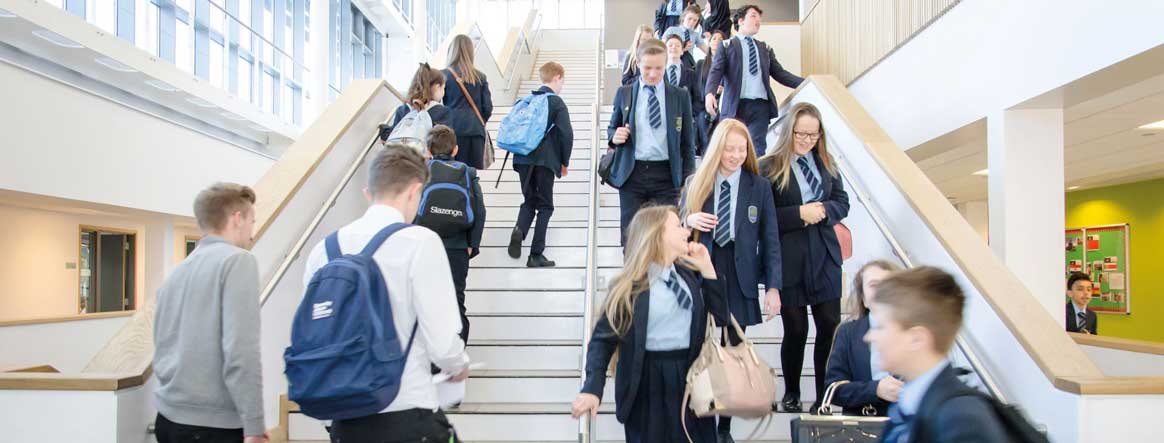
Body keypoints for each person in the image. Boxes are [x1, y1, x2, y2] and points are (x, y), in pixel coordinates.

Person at [302, 146, 471, 442]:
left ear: (369, 193)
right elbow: (443, 345)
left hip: (344, 416)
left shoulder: (323, 249)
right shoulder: (420, 242)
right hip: (405, 410)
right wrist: (458, 367)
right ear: (415, 191)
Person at [571, 205, 728, 443]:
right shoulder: (629, 287)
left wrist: (707, 268)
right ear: (657, 234)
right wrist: (593, 388)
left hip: (690, 378)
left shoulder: (688, 276)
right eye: (678, 226)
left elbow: (721, 317)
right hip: (647, 382)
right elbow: (602, 342)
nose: (686, 231)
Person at [679, 119, 780, 443]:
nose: (736, 155)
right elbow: (673, 231)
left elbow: (771, 239)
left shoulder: (759, 186)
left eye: (741, 149)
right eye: (729, 149)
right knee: (698, 346)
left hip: (740, 275)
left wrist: (774, 287)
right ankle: (694, 413)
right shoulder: (697, 182)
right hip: (703, 268)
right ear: (716, 149)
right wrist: (688, 219)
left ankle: (724, 427)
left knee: (732, 351)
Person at [153, 183, 266, 443]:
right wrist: (254, 426)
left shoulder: (176, 274)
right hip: (212, 428)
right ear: (237, 219)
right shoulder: (238, 261)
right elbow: (241, 352)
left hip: (168, 420)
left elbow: (162, 345)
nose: (252, 232)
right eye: (252, 221)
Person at [758, 102, 849, 413]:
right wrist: (800, 214)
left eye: (814, 134)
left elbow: (842, 201)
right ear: (788, 131)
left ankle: (824, 396)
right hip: (790, 259)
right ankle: (793, 392)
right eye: (802, 134)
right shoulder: (769, 167)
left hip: (824, 255)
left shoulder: (826, 162)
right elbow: (764, 218)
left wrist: (824, 211)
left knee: (829, 325)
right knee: (796, 330)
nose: (808, 140)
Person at [865, 266, 1007, 442]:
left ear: (916, 339)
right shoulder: (910, 406)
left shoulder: (962, 420)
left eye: (881, 327)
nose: (869, 337)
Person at [606, 39, 696, 246]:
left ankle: (661, 278)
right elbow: (612, 128)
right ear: (637, 63)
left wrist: (688, 180)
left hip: (666, 175)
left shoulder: (679, 96)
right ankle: (633, 279)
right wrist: (614, 135)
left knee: (666, 237)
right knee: (631, 237)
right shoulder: (624, 93)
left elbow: (687, 143)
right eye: (647, 68)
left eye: (659, 68)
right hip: (632, 174)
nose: (653, 74)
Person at [417, 125, 486, 343]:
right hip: (457, 246)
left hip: (425, 246)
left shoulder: (420, 172)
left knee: (426, 299)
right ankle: (457, 353)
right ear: (455, 149)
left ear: (427, 150)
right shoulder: (467, 172)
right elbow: (480, 211)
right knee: (456, 300)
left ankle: (431, 354)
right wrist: (472, 244)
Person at [705, 4, 804, 156]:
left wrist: (805, 82)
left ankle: (755, 180)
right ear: (740, 21)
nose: (758, 20)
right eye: (753, 16)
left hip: (760, 107)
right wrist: (710, 93)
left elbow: (781, 74)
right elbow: (716, 71)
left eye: (759, 17)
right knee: (732, 148)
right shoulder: (726, 46)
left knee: (758, 149)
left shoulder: (765, 48)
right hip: (735, 105)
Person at [507, 62, 573, 268]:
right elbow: (567, 135)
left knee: (529, 200)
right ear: (558, 77)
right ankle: (535, 254)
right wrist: (564, 162)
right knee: (545, 205)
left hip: (521, 158)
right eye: (563, 81)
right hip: (545, 161)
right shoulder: (556, 102)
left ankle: (519, 229)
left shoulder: (528, 100)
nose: (562, 85)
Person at [823, 260, 903, 417]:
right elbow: (834, 388)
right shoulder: (848, 332)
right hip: (862, 428)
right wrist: (876, 390)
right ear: (864, 298)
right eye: (873, 285)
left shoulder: (917, 331)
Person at [442, 34, 494, 170]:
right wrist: (478, 120)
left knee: (452, 171)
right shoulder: (480, 77)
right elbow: (487, 107)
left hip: (452, 130)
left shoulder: (444, 76)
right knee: (471, 173)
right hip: (475, 131)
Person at [391, 63, 452, 131]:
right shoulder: (442, 113)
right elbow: (444, 140)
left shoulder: (402, 110)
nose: (443, 92)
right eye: (443, 88)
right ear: (437, 87)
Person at [663, 33, 704, 132]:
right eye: (670, 45)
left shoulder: (691, 74)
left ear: (682, 51)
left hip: (685, 123)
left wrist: (690, 115)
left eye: (677, 46)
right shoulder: (658, 73)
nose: (674, 48)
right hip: (662, 121)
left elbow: (698, 99)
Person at [694, 31, 726, 156]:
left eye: (720, 39)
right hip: (704, 107)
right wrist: (710, 92)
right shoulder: (701, 64)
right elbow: (698, 87)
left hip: (723, 105)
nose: (717, 41)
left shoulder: (729, 63)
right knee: (705, 133)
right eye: (714, 39)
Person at [662, 5, 708, 70]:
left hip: (688, 65)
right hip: (670, 62)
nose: (692, 22)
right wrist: (682, 49)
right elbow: (662, 48)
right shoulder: (671, 30)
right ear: (684, 17)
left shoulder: (695, 35)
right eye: (689, 18)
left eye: (695, 20)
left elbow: (707, 51)